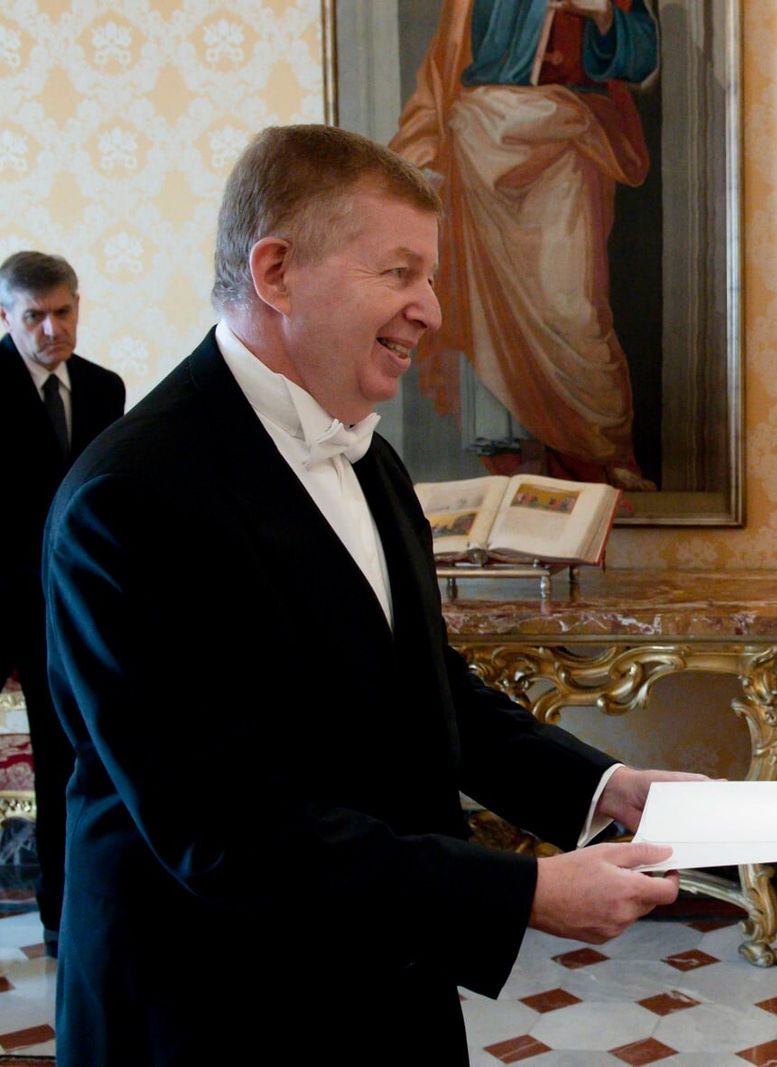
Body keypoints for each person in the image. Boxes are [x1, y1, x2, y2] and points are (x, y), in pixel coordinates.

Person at [42, 125, 693, 1066]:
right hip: (210, 1003)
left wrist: (605, 787)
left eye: (428, 278)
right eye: (399, 273)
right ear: (276, 272)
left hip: (383, 979)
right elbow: (219, 828)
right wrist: (523, 895)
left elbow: (426, 685)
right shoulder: (128, 498)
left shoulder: (370, 455)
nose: (430, 310)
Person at [390, 0, 657, 490]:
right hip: (481, 141)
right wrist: (421, 145)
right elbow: (443, 64)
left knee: (574, 308)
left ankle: (599, 451)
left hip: (572, 136)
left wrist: (602, 15)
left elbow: (641, 57)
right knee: (490, 314)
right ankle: (513, 464)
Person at [0, 251, 124, 959]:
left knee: (63, 755)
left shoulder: (105, 388)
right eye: (35, 316)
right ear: (6, 317)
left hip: (62, 608)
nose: (52, 328)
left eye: (64, 312)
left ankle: (60, 912)